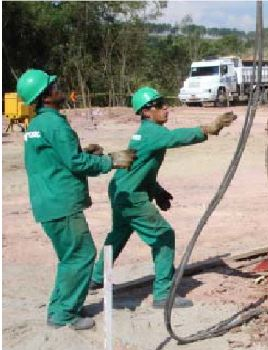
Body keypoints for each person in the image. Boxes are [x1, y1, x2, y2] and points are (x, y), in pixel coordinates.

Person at [90, 87, 236, 309]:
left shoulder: (147, 132)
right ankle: (163, 294)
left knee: (119, 234)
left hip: (122, 189)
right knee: (164, 236)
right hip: (132, 195)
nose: (165, 108)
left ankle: (96, 278)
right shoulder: (152, 133)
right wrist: (209, 128)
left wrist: (157, 192)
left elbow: (142, 169)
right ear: (146, 112)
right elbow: (176, 138)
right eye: (159, 105)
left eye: (164, 103)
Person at [17, 69, 136, 330]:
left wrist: (84, 152)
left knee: (69, 257)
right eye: (54, 86)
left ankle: (60, 308)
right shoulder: (55, 124)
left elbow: (56, 158)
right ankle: (65, 314)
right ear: (45, 97)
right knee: (82, 254)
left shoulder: (36, 125)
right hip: (61, 203)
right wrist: (110, 161)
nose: (59, 87)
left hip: (47, 201)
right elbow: (74, 162)